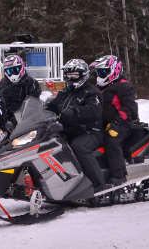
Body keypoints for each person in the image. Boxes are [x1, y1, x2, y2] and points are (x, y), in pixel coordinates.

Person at [45, 59, 105, 192]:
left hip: (89, 132)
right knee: (45, 145)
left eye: (74, 75)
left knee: (79, 147)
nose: (70, 78)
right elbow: (52, 106)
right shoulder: (64, 93)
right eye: (68, 75)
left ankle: (97, 185)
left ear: (83, 75)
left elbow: (94, 110)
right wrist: (41, 110)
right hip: (68, 131)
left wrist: (75, 111)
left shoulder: (92, 92)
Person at [91, 55, 138, 186]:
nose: (100, 75)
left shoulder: (124, 86)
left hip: (121, 123)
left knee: (111, 141)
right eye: (99, 72)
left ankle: (119, 175)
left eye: (103, 72)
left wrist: (116, 123)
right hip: (103, 123)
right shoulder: (101, 87)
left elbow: (128, 106)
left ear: (114, 70)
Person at [0, 55, 42, 128]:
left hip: (23, 119)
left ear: (21, 67)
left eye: (15, 70)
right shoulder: (3, 82)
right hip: (4, 119)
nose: (12, 74)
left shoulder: (29, 81)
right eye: (9, 71)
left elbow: (33, 102)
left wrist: (20, 117)